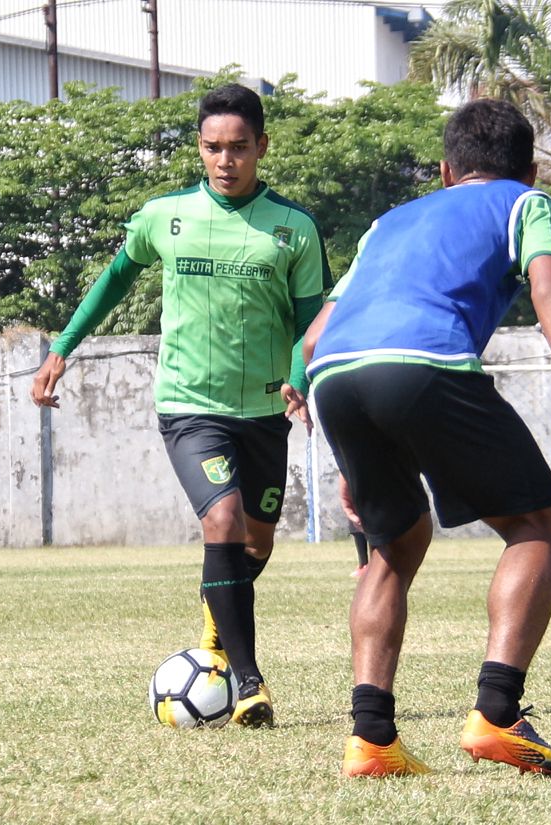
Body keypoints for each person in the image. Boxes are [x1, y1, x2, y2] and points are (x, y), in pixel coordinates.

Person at [303, 98, 551, 777]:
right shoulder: (527, 204)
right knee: (536, 522)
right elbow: (550, 292)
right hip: (423, 362)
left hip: (334, 374)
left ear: (447, 170)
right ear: (531, 170)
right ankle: (498, 714)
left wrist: (350, 447)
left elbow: (313, 339)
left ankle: (371, 739)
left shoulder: (387, 223)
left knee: (395, 545)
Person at [31, 83, 329, 728]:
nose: (226, 161)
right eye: (213, 148)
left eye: (239, 148)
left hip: (264, 412)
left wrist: (300, 376)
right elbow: (113, 279)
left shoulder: (293, 227)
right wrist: (63, 346)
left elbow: (312, 319)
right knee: (220, 524)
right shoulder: (162, 217)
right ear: (199, 147)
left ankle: (214, 628)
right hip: (189, 406)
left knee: (256, 541)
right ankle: (249, 683)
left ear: (261, 147)